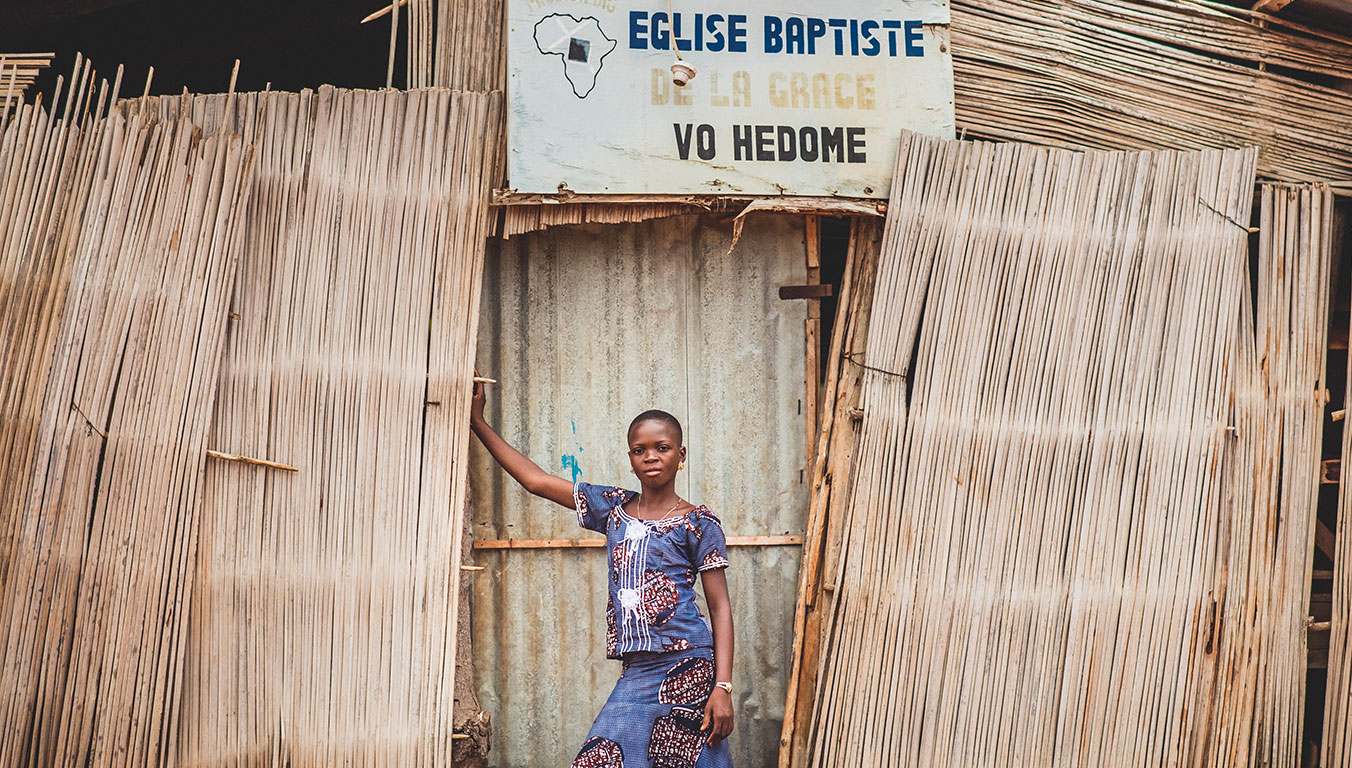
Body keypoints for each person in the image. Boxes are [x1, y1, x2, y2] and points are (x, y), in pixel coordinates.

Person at [470, 378, 735, 768]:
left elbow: (720, 607)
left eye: (662, 448)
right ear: (630, 458)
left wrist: (723, 686)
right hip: (637, 669)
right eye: (640, 450)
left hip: (689, 664)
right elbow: (535, 481)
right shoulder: (613, 508)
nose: (650, 457)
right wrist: (477, 422)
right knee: (599, 759)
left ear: (681, 455)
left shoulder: (698, 523)